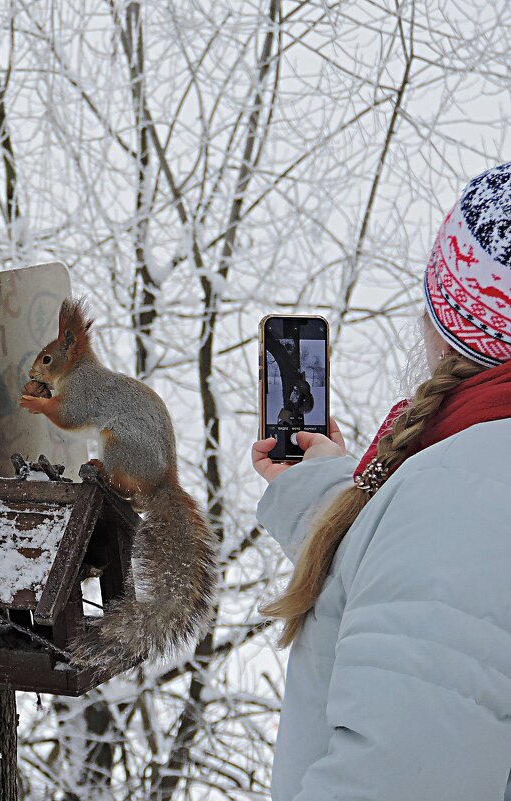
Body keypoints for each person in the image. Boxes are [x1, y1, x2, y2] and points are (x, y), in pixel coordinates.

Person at [251, 162, 511, 801]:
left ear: (448, 318)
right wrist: (326, 499)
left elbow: (400, 780)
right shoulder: (468, 485)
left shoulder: (462, 493)